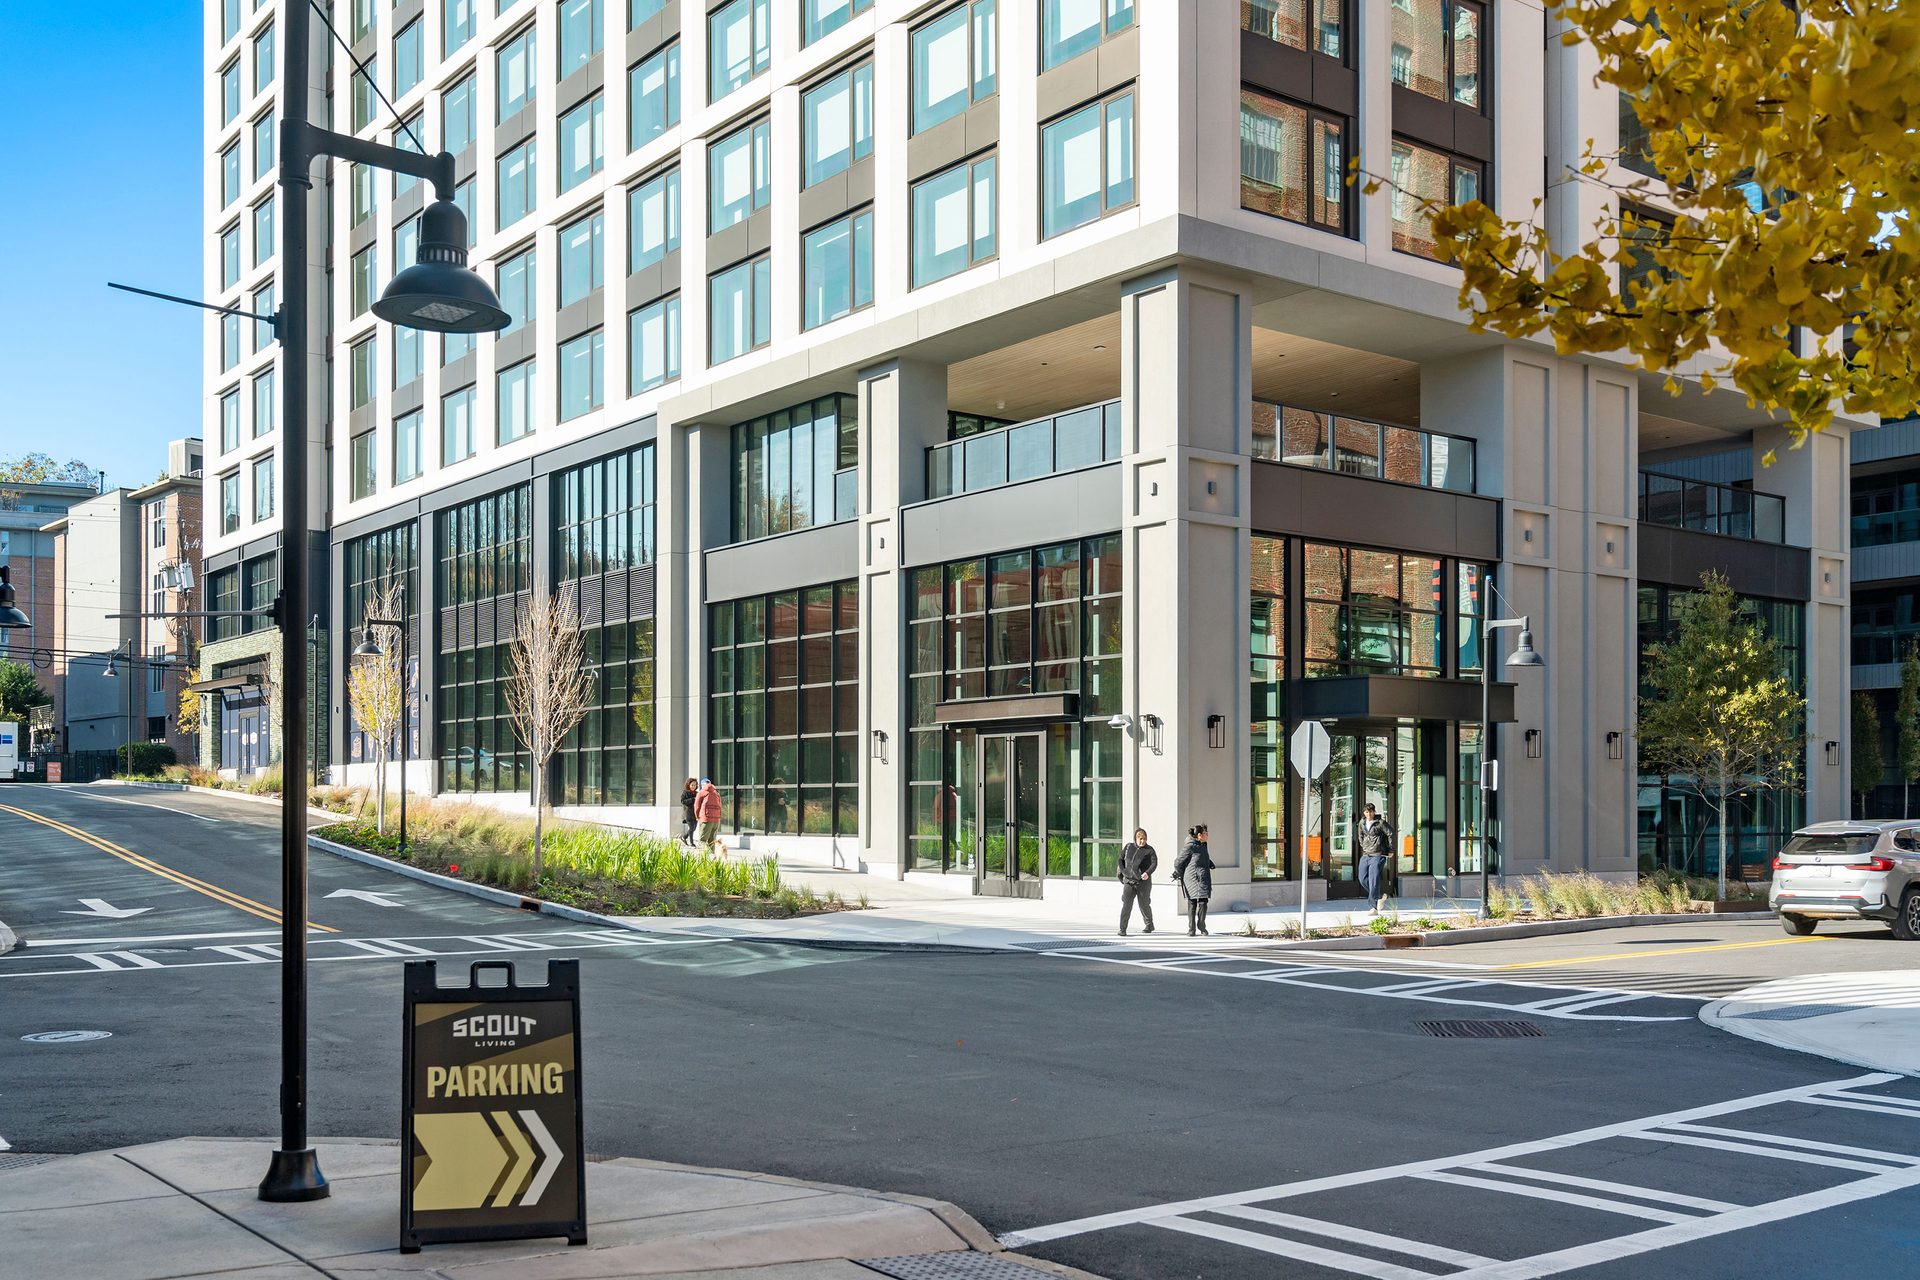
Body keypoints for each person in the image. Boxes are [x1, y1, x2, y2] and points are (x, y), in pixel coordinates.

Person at [1172, 824, 1216, 936]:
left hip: (1203, 878)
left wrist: (1209, 863)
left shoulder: (1203, 845)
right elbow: (1178, 862)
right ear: (1200, 835)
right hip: (1191, 878)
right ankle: (1191, 929)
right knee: (1192, 903)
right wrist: (1180, 873)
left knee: (1203, 902)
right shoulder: (1190, 846)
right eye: (1206, 834)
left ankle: (1201, 925)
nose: (1208, 836)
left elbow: (1201, 856)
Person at [1117, 827, 1158, 936]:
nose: (1142, 841)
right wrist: (1124, 871)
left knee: (1144, 904)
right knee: (1127, 905)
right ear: (1135, 838)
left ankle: (1149, 924)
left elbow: (1154, 864)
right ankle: (1122, 929)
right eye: (1140, 838)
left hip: (1143, 883)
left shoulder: (1149, 850)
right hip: (1129, 882)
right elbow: (1120, 859)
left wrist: (1147, 873)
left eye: (1144, 838)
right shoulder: (1128, 847)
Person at [1357, 802, 1394, 911]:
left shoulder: (1380, 823)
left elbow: (1391, 834)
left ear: (1374, 812)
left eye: (1371, 812)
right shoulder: (1362, 823)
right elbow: (1360, 836)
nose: (1369, 814)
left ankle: (1373, 907)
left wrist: (1391, 850)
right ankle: (1379, 896)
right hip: (1366, 854)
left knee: (1374, 880)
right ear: (1364, 813)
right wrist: (1363, 845)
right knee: (1362, 879)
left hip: (1378, 854)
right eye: (1367, 812)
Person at [694, 778, 726, 857]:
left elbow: (697, 806)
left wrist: (698, 816)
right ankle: (712, 855)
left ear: (702, 785)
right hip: (716, 820)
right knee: (712, 840)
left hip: (706, 819)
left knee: (702, 840)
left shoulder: (701, 793)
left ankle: (705, 857)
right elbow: (720, 806)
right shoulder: (717, 793)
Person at [679, 777, 698, 847]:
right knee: (691, 828)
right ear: (688, 785)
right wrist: (692, 799)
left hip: (695, 813)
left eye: (695, 785)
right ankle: (691, 842)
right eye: (692, 785)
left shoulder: (697, 793)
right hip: (688, 813)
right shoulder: (685, 792)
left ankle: (684, 837)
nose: (693, 786)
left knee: (694, 828)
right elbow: (682, 801)